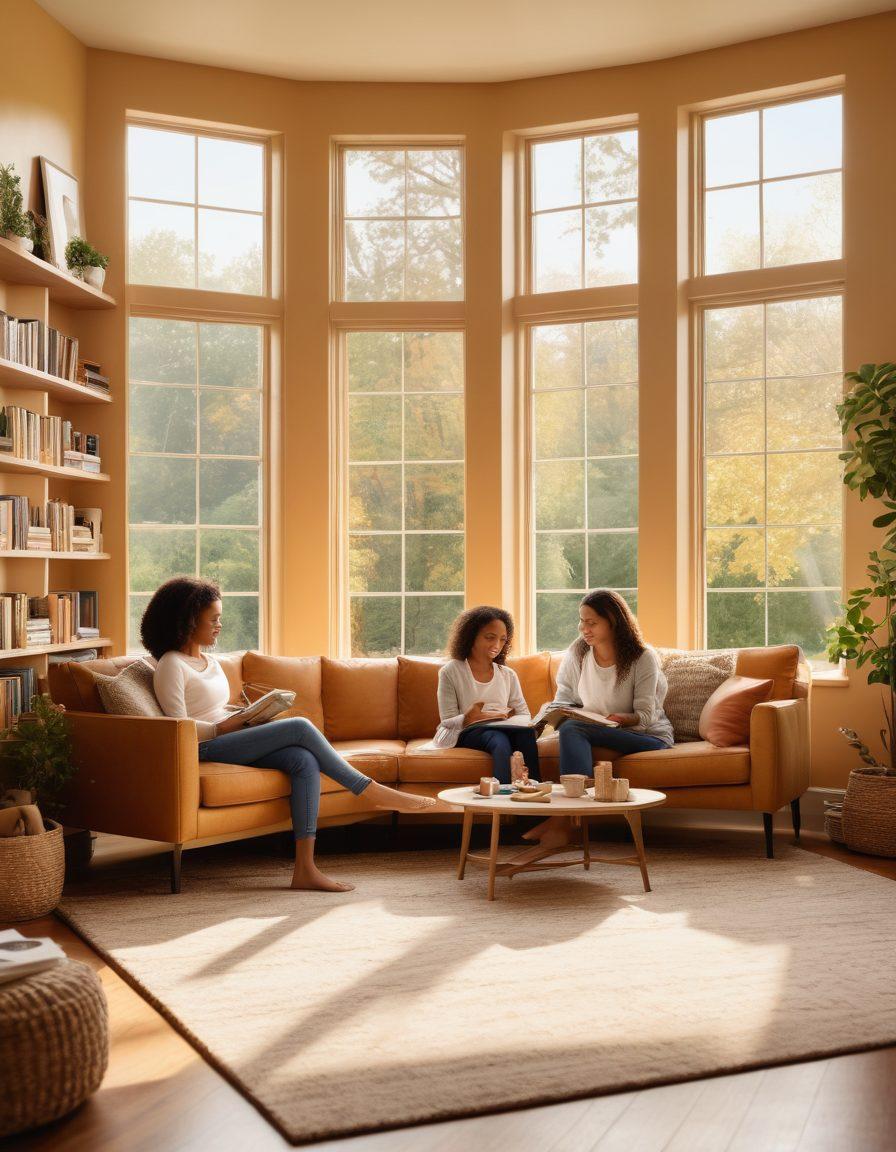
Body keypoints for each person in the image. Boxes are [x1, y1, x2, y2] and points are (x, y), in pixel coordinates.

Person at [143, 577, 435, 893]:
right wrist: (223, 727)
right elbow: (177, 725)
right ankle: (369, 790)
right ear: (188, 620)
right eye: (213, 619)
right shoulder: (171, 665)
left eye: (220, 618)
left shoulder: (208, 661)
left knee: (302, 760)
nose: (219, 625)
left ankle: (305, 869)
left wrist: (248, 714)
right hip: (203, 746)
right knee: (299, 727)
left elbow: (213, 708)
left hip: (230, 735)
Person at [513, 589, 672, 862]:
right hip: (596, 729)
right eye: (581, 621)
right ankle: (566, 823)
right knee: (565, 726)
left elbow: (645, 716)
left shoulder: (641, 658)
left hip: (647, 735)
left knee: (573, 729)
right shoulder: (578, 653)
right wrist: (547, 720)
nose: (584, 628)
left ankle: (564, 823)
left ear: (613, 621)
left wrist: (623, 718)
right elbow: (565, 699)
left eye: (592, 622)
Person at [434, 605, 540, 784]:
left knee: (526, 735)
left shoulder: (507, 674)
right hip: (467, 731)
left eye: (502, 639)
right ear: (471, 635)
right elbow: (447, 720)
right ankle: (503, 800)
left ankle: (532, 799)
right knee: (498, 739)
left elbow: (523, 713)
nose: (496, 645)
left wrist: (523, 723)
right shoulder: (450, 671)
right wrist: (469, 718)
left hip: (504, 727)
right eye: (490, 637)